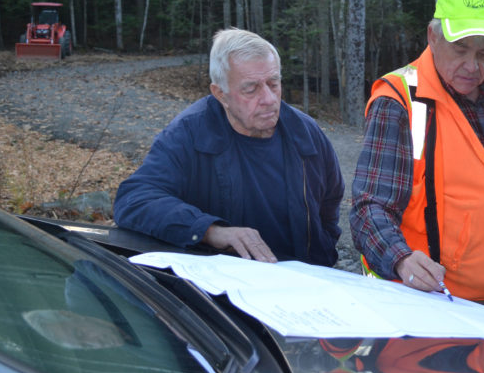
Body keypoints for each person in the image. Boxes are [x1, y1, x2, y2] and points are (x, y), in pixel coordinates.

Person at [350, 0, 484, 332]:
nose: (472, 65)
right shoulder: (400, 99)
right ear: (432, 36)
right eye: (460, 49)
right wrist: (400, 260)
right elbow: (369, 207)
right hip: (441, 299)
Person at [113, 28, 344, 266]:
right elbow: (134, 200)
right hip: (223, 289)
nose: (268, 99)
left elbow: (330, 202)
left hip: (305, 283)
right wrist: (210, 231)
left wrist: (323, 250)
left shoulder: (305, 132)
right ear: (220, 94)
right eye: (251, 89)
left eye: (273, 84)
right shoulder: (190, 134)